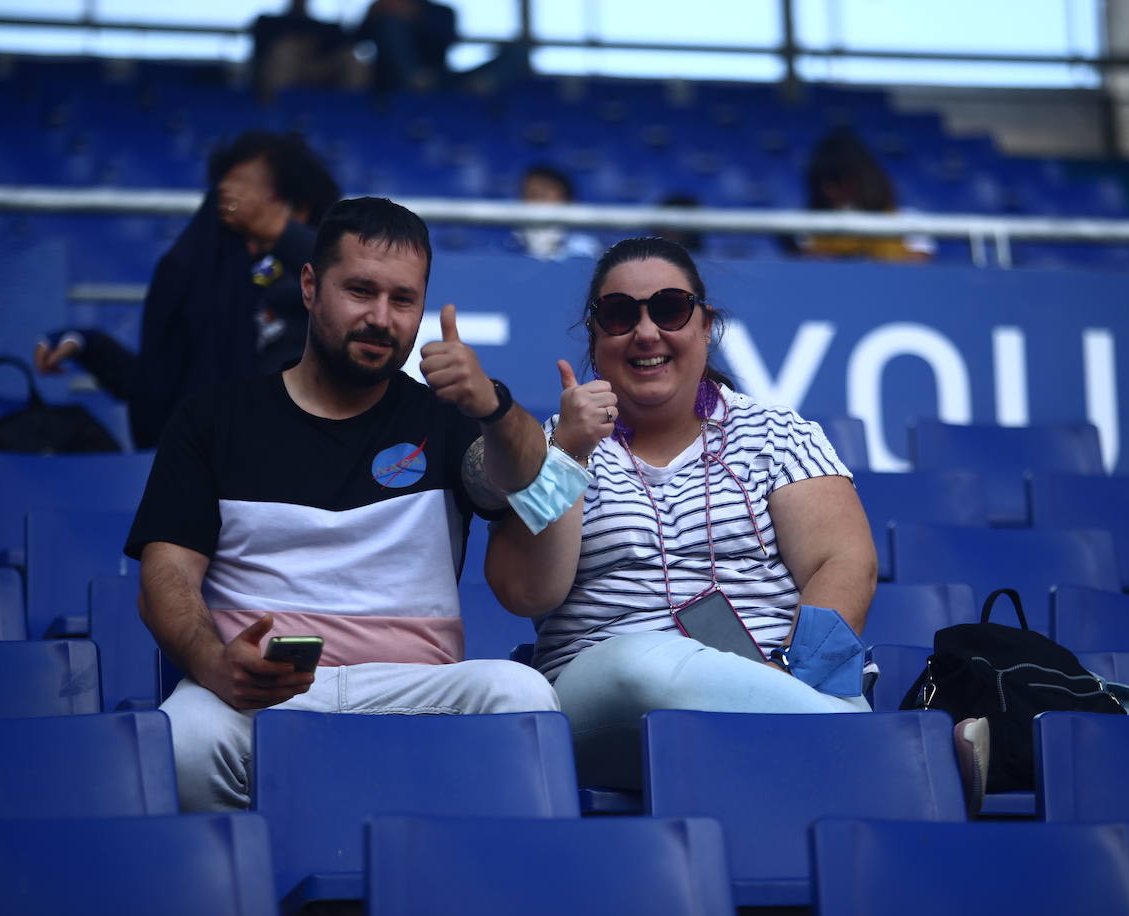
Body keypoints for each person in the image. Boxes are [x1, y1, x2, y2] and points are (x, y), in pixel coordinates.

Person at [124, 196, 558, 811]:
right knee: (183, 740)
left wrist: (491, 406)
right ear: (309, 285)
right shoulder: (212, 417)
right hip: (263, 692)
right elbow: (164, 576)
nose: (381, 318)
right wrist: (213, 662)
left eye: (403, 300)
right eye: (360, 291)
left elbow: (522, 479)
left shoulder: (453, 415)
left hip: (416, 689)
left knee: (523, 695)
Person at [484, 236, 885, 790]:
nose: (646, 332)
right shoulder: (551, 445)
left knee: (809, 691)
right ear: (596, 336)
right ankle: (879, 758)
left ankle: (826, 740)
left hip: (789, 677)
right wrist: (568, 456)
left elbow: (844, 563)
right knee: (644, 663)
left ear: (705, 325)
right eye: (620, 315)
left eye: (669, 309)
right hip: (611, 698)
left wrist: (791, 672)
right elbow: (523, 593)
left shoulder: (778, 433)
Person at [35, 131, 341, 449]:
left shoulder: (312, 283)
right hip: (203, 466)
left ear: (298, 207)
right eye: (225, 192)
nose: (230, 200)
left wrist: (279, 232)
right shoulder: (213, 284)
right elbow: (161, 388)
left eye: (247, 191)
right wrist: (86, 344)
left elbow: (342, 272)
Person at [785, 126, 933, 262]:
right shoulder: (809, 230)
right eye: (822, 182)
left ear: (862, 178)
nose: (829, 191)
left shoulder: (909, 224)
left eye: (837, 180)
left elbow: (915, 276)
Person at [250, 0, 364, 104]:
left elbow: (348, 43)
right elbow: (261, 50)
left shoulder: (325, 27)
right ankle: (272, 108)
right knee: (284, 52)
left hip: (321, 68)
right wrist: (297, 45)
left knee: (351, 56)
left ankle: (351, 109)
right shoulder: (269, 23)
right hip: (285, 70)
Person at [354, 0, 457, 97]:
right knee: (391, 25)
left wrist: (417, 15)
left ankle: (415, 77)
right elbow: (356, 41)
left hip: (436, 75)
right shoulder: (384, 10)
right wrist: (373, 15)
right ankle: (413, 77)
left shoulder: (442, 13)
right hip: (388, 80)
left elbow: (442, 43)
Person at [512, 164, 600, 261]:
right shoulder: (510, 243)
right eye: (530, 195)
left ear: (566, 199)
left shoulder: (585, 247)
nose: (536, 202)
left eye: (543, 194)